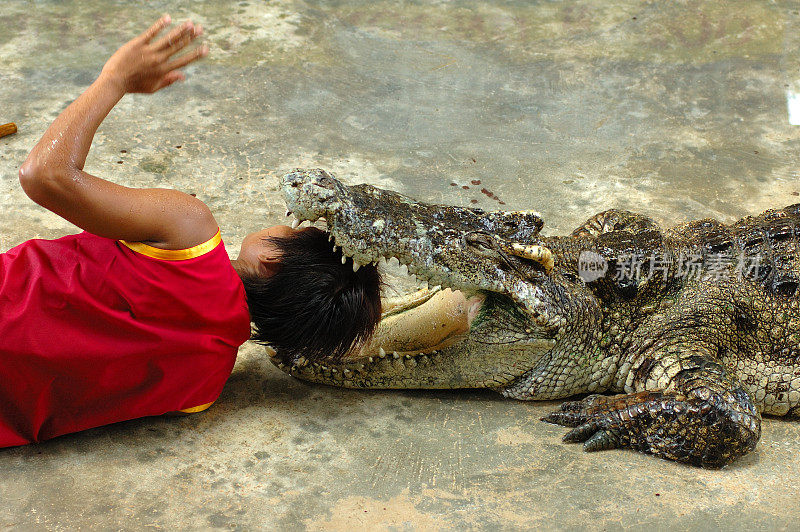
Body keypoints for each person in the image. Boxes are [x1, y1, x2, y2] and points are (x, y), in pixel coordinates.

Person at [1, 16, 381, 448]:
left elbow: (43, 176)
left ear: (272, 260)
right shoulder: (202, 390)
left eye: (305, 232)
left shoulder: (188, 231)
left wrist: (114, 80)